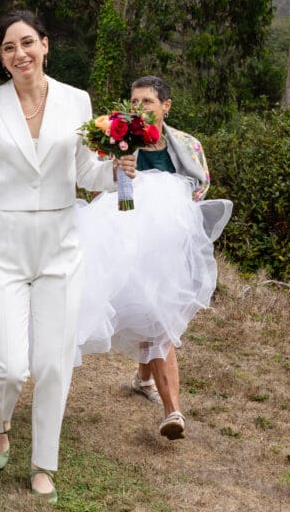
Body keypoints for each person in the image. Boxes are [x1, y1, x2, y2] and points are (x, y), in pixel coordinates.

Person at [0, 10, 136, 504]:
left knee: (53, 363)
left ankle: (43, 464)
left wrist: (118, 170)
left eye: (28, 42)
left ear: (45, 45)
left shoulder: (77, 101)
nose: (20, 54)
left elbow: (87, 172)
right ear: (1, 58)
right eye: (9, 47)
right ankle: (0, 424)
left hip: (61, 247)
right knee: (9, 366)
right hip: (2, 248)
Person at [78, 75, 231, 440]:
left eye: (147, 101)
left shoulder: (187, 145)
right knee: (155, 314)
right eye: (134, 102)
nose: (140, 108)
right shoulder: (118, 141)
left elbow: (200, 187)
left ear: (166, 106)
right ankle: (172, 411)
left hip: (169, 244)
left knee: (154, 311)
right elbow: (101, 186)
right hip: (127, 239)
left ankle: (144, 378)